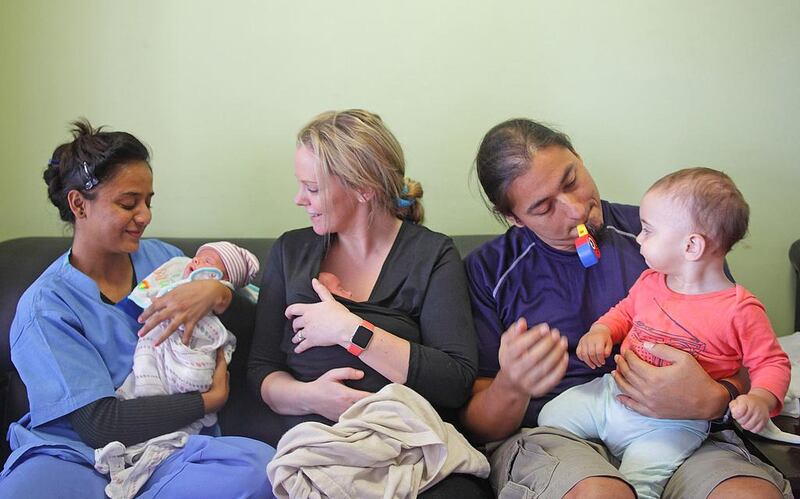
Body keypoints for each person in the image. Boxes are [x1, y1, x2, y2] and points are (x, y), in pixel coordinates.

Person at [460, 118, 792, 499]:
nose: (574, 211)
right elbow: (477, 425)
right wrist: (513, 385)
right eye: (543, 207)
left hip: (683, 427)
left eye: (571, 181)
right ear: (514, 218)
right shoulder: (489, 272)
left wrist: (716, 397)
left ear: (579, 158)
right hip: (558, 437)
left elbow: (750, 354)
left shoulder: (668, 232)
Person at [0, 120, 275, 499]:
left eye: (148, 202)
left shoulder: (165, 259)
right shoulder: (47, 305)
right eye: (128, 203)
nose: (144, 215)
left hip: (169, 448)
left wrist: (216, 289)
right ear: (79, 203)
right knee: (25, 492)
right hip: (74, 455)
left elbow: (241, 300)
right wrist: (208, 400)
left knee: (261, 470)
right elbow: (97, 425)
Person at [247, 109, 491, 497]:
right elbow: (262, 369)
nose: (299, 199)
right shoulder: (290, 252)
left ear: (363, 188)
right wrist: (310, 396)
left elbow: (456, 381)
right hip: (311, 443)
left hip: (406, 444)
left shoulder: (432, 255)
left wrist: (349, 330)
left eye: (312, 188)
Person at [537, 167, 791, 499]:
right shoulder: (651, 281)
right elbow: (624, 312)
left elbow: (772, 363)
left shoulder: (739, 309)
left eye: (648, 230)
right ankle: (596, 459)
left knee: (639, 485)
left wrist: (761, 398)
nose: (639, 238)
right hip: (612, 396)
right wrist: (601, 331)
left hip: (673, 424)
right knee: (550, 415)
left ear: (691, 246)